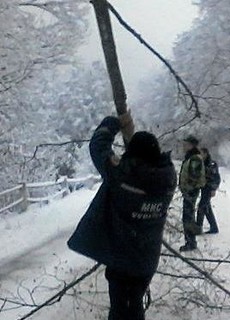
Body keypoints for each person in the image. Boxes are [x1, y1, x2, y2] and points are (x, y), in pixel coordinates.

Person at [68, 112, 177, 320]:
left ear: (132, 154)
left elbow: (98, 147)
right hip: (147, 259)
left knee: (119, 308)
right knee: (134, 303)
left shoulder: (121, 175)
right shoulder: (169, 178)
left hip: (122, 259)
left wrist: (114, 122)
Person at [178, 135, 206, 251]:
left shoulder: (194, 158)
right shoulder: (191, 157)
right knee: (188, 216)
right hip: (190, 191)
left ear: (191, 145)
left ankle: (191, 242)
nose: (184, 146)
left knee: (188, 217)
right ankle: (190, 240)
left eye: (186, 144)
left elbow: (194, 176)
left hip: (191, 192)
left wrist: (187, 189)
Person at [197, 147, 221, 234]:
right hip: (203, 188)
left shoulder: (211, 164)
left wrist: (213, 189)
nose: (200, 155)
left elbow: (216, 178)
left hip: (209, 188)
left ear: (206, 154)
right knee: (206, 208)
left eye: (201, 154)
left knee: (201, 207)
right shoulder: (200, 163)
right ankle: (214, 227)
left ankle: (198, 227)